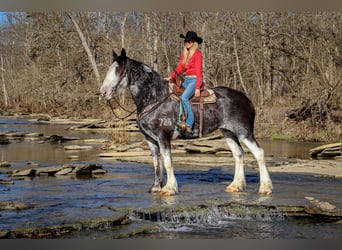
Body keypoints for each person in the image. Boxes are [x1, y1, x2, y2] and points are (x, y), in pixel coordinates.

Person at [164, 31, 203, 133]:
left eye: (188, 41)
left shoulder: (198, 54)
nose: (186, 43)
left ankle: (189, 123)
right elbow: (180, 68)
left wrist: (198, 87)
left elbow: (199, 72)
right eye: (185, 41)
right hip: (186, 80)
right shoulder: (185, 55)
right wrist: (171, 77)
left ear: (194, 42)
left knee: (184, 97)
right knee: (174, 93)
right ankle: (179, 120)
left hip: (194, 80)